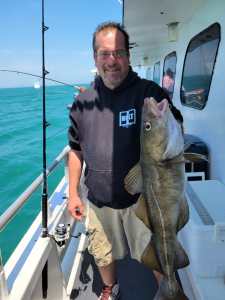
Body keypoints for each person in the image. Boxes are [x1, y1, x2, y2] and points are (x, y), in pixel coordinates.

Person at [67, 21, 183, 300]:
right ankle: (110, 287)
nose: (112, 60)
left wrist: (170, 120)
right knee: (101, 251)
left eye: (119, 53)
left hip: (142, 201)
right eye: (105, 53)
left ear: (128, 56)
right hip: (98, 199)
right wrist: (72, 192)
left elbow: (175, 124)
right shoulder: (83, 103)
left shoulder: (147, 92)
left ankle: (170, 289)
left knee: (155, 250)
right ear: (95, 58)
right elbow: (75, 149)